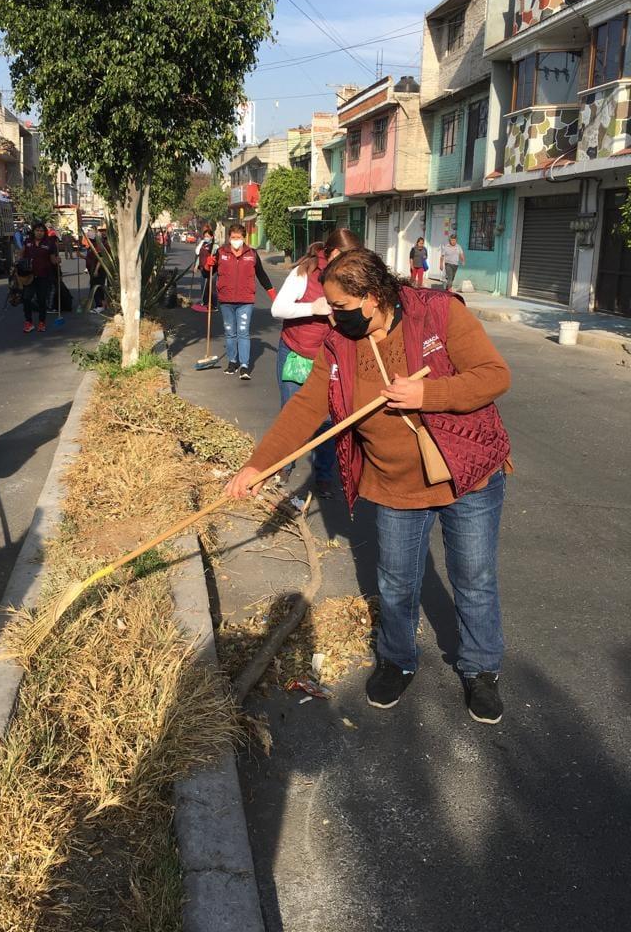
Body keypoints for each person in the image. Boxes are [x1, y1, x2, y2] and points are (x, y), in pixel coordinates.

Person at [226, 249, 512, 725]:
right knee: (397, 582)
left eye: (340, 306)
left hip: (468, 476)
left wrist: (429, 394)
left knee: (474, 579)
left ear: (375, 296)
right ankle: (397, 659)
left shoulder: (439, 313)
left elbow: (494, 375)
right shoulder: (339, 341)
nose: (331, 315)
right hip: (394, 483)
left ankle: (481, 669)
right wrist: (259, 465)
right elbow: (305, 408)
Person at [271, 227, 363, 497]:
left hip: (328, 356)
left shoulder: (351, 277)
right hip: (295, 352)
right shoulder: (306, 271)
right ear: (333, 253)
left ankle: (323, 474)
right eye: (347, 257)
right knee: (292, 412)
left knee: (328, 417)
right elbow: (278, 309)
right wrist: (313, 308)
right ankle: (284, 463)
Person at [203, 224, 276, 380]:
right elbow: (207, 273)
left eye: (239, 238)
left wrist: (274, 297)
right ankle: (232, 361)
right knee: (230, 333)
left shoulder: (252, 254)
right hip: (226, 300)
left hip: (246, 301)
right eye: (233, 237)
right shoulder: (221, 252)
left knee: (243, 333)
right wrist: (207, 264)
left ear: (244, 238)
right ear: (229, 238)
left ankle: (244, 366)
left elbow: (262, 276)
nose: (236, 240)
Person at [20, 221, 59, 332]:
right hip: (29, 276)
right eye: (37, 230)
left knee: (42, 300)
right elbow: (21, 255)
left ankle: (42, 322)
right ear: (33, 231)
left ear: (44, 232)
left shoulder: (49, 243)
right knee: (26, 298)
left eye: (42, 231)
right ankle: (29, 322)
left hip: (44, 275)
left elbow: (52, 259)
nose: (39, 233)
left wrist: (57, 261)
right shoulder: (28, 242)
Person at [80, 228, 106, 314]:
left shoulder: (98, 246)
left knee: (96, 287)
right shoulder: (92, 246)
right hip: (93, 269)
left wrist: (96, 270)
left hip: (98, 271)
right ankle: (102, 304)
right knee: (95, 287)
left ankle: (100, 306)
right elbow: (91, 259)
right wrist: (82, 256)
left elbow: (100, 259)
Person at [195, 225, 217, 309]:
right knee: (203, 285)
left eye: (208, 236)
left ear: (212, 236)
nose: (206, 237)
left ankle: (214, 304)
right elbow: (199, 255)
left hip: (212, 270)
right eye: (205, 236)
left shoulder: (215, 246)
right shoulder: (203, 244)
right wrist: (196, 265)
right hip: (203, 268)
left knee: (212, 287)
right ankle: (204, 302)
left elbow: (216, 258)